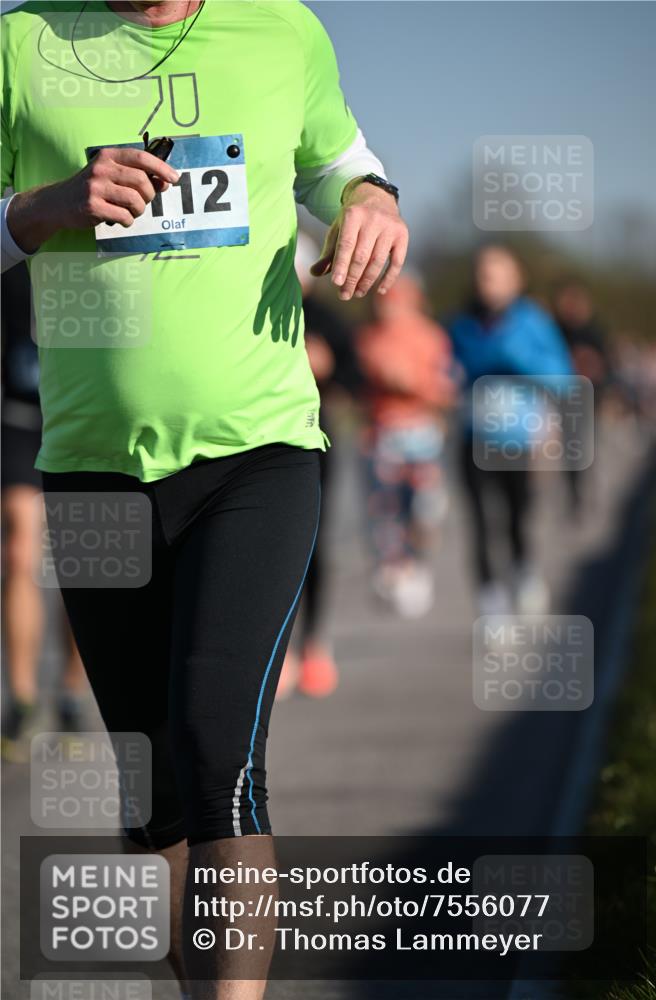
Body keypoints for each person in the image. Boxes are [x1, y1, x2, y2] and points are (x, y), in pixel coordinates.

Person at [1, 2, 408, 998]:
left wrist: (372, 202)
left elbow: (341, 164)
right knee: (154, 789)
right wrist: (49, 203)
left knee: (218, 750)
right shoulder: (19, 40)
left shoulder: (280, 29)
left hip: (255, 452)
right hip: (92, 463)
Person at [447, 245, 573, 616]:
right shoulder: (460, 325)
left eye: (496, 274)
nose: (487, 282)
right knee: (480, 521)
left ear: (517, 279)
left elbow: (563, 377)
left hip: (518, 440)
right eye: (482, 274)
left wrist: (518, 360)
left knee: (518, 516)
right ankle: (490, 600)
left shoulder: (534, 322)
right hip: (473, 438)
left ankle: (524, 570)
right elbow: (444, 371)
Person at [1, 261, 88, 763]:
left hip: (82, 418)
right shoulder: (11, 248)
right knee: (19, 553)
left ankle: (71, 695)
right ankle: (21, 699)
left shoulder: (93, 248)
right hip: (18, 419)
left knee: (83, 564)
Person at [277, 233, 361, 699]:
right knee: (270, 549)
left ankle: (314, 643)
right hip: (261, 440)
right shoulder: (248, 309)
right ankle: (281, 651)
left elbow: (356, 377)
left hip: (315, 438)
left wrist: (328, 369)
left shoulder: (327, 320)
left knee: (313, 544)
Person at [356, 274, 454, 619]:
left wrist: (413, 384)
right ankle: (397, 571)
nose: (388, 307)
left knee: (425, 510)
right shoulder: (369, 338)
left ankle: (418, 561)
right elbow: (362, 383)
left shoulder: (431, 337)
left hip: (422, 434)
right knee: (386, 510)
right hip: (384, 435)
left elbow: (445, 388)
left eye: (396, 299)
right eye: (383, 300)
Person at [552, 277, 611, 513]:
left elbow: (607, 368)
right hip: (566, 400)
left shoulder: (595, 333)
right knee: (571, 450)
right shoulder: (557, 331)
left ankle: (590, 492)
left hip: (590, 400)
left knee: (589, 449)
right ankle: (574, 494)